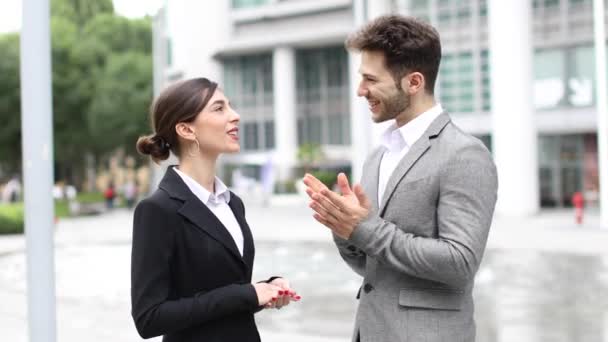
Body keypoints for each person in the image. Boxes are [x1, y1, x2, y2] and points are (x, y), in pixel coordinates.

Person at [304, 15, 498, 342]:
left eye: (370, 79)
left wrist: (364, 227)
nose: (360, 90)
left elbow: (460, 262)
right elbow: (373, 269)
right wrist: (344, 228)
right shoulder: (377, 157)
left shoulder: (464, 154)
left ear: (414, 82)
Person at [131, 77, 299, 342]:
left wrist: (265, 290)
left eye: (230, 106)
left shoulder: (232, 202)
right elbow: (149, 317)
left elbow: (222, 289)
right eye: (219, 108)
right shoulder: (157, 210)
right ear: (187, 130)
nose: (235, 116)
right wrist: (247, 294)